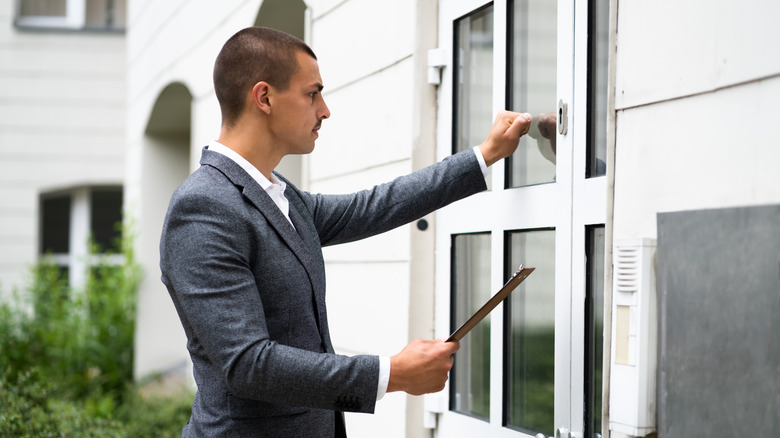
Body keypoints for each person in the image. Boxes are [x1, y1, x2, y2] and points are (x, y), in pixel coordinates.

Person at [159, 26, 532, 438]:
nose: (325, 110)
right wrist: (391, 373)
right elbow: (248, 365)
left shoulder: (281, 197)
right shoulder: (203, 207)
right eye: (312, 93)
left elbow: (372, 206)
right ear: (264, 97)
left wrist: (485, 155)